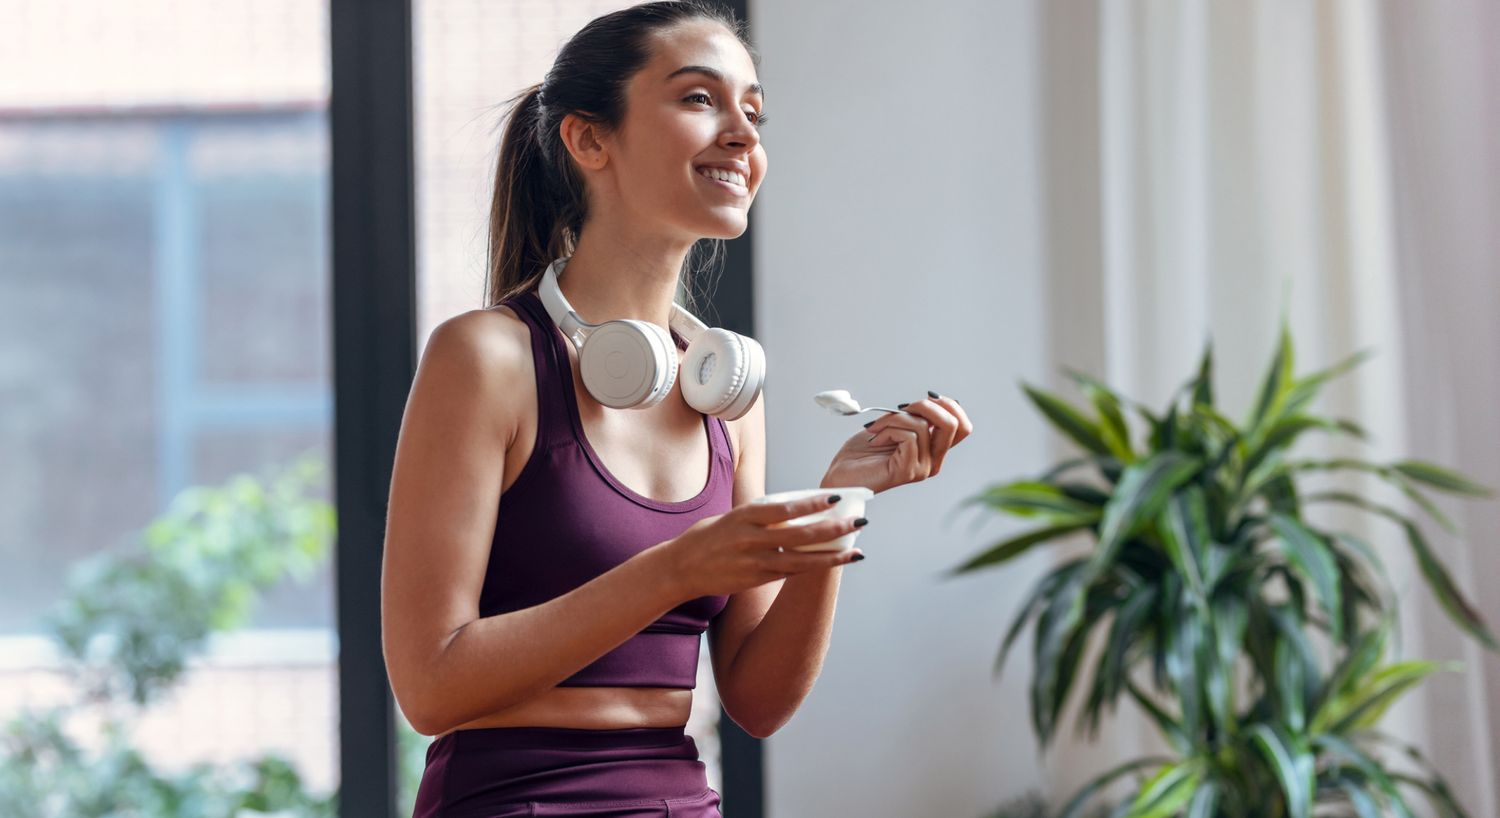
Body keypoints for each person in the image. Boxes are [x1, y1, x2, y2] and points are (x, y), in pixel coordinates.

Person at [381, 2, 975, 816]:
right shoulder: (487, 359)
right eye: (700, 99)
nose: (743, 134)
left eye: (754, 112)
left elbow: (758, 702)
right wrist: (677, 571)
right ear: (590, 139)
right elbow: (430, 686)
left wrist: (845, 499)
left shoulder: (726, 393)